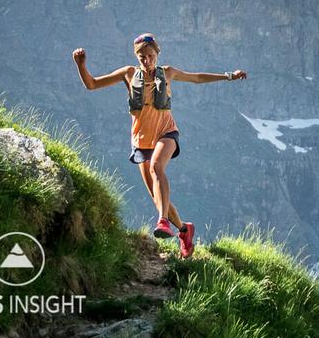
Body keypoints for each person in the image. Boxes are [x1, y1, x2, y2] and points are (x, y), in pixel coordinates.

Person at [72, 33, 246, 256]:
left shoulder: (168, 73)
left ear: (157, 53)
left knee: (157, 168)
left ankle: (163, 222)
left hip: (166, 133)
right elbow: (92, 85)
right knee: (158, 198)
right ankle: (184, 230)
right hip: (141, 142)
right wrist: (81, 64)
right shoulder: (128, 74)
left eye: (150, 55)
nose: (147, 60)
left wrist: (229, 76)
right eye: (142, 56)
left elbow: (198, 78)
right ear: (137, 57)